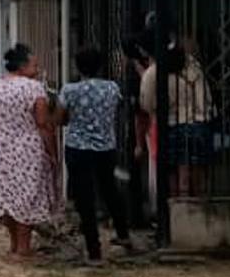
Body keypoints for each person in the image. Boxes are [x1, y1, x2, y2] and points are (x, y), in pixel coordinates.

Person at [0, 44, 58, 261]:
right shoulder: (34, 89)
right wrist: (52, 152)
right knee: (27, 197)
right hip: (28, 151)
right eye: (35, 66)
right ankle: (23, 247)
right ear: (22, 67)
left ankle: (14, 244)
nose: (38, 70)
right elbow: (43, 123)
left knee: (7, 197)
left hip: (1, 151)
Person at [57, 48, 132, 264]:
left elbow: (60, 119)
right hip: (106, 147)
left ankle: (94, 251)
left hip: (78, 148)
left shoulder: (69, 90)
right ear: (100, 66)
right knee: (110, 190)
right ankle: (123, 234)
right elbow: (117, 109)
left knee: (85, 198)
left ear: (77, 67)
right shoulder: (112, 88)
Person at [140, 43, 214, 197]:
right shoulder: (194, 67)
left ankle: (177, 208)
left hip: (172, 124)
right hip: (200, 123)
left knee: (175, 175)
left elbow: (146, 104)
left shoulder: (153, 73)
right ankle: (199, 206)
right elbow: (206, 98)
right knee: (199, 173)